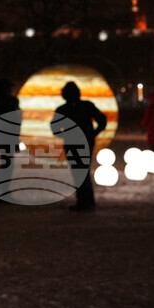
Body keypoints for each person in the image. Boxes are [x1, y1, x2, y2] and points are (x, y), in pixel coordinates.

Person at [52, 81, 107, 211]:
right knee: (83, 171)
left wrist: (65, 135)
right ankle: (87, 200)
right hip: (86, 142)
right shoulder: (86, 106)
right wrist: (94, 133)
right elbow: (102, 120)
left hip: (73, 143)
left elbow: (55, 128)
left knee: (78, 172)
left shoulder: (63, 109)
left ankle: (84, 201)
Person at [0, 78, 20, 204]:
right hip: (8, 136)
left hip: (3, 136)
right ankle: (0, 193)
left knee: (6, 164)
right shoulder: (9, 101)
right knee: (7, 165)